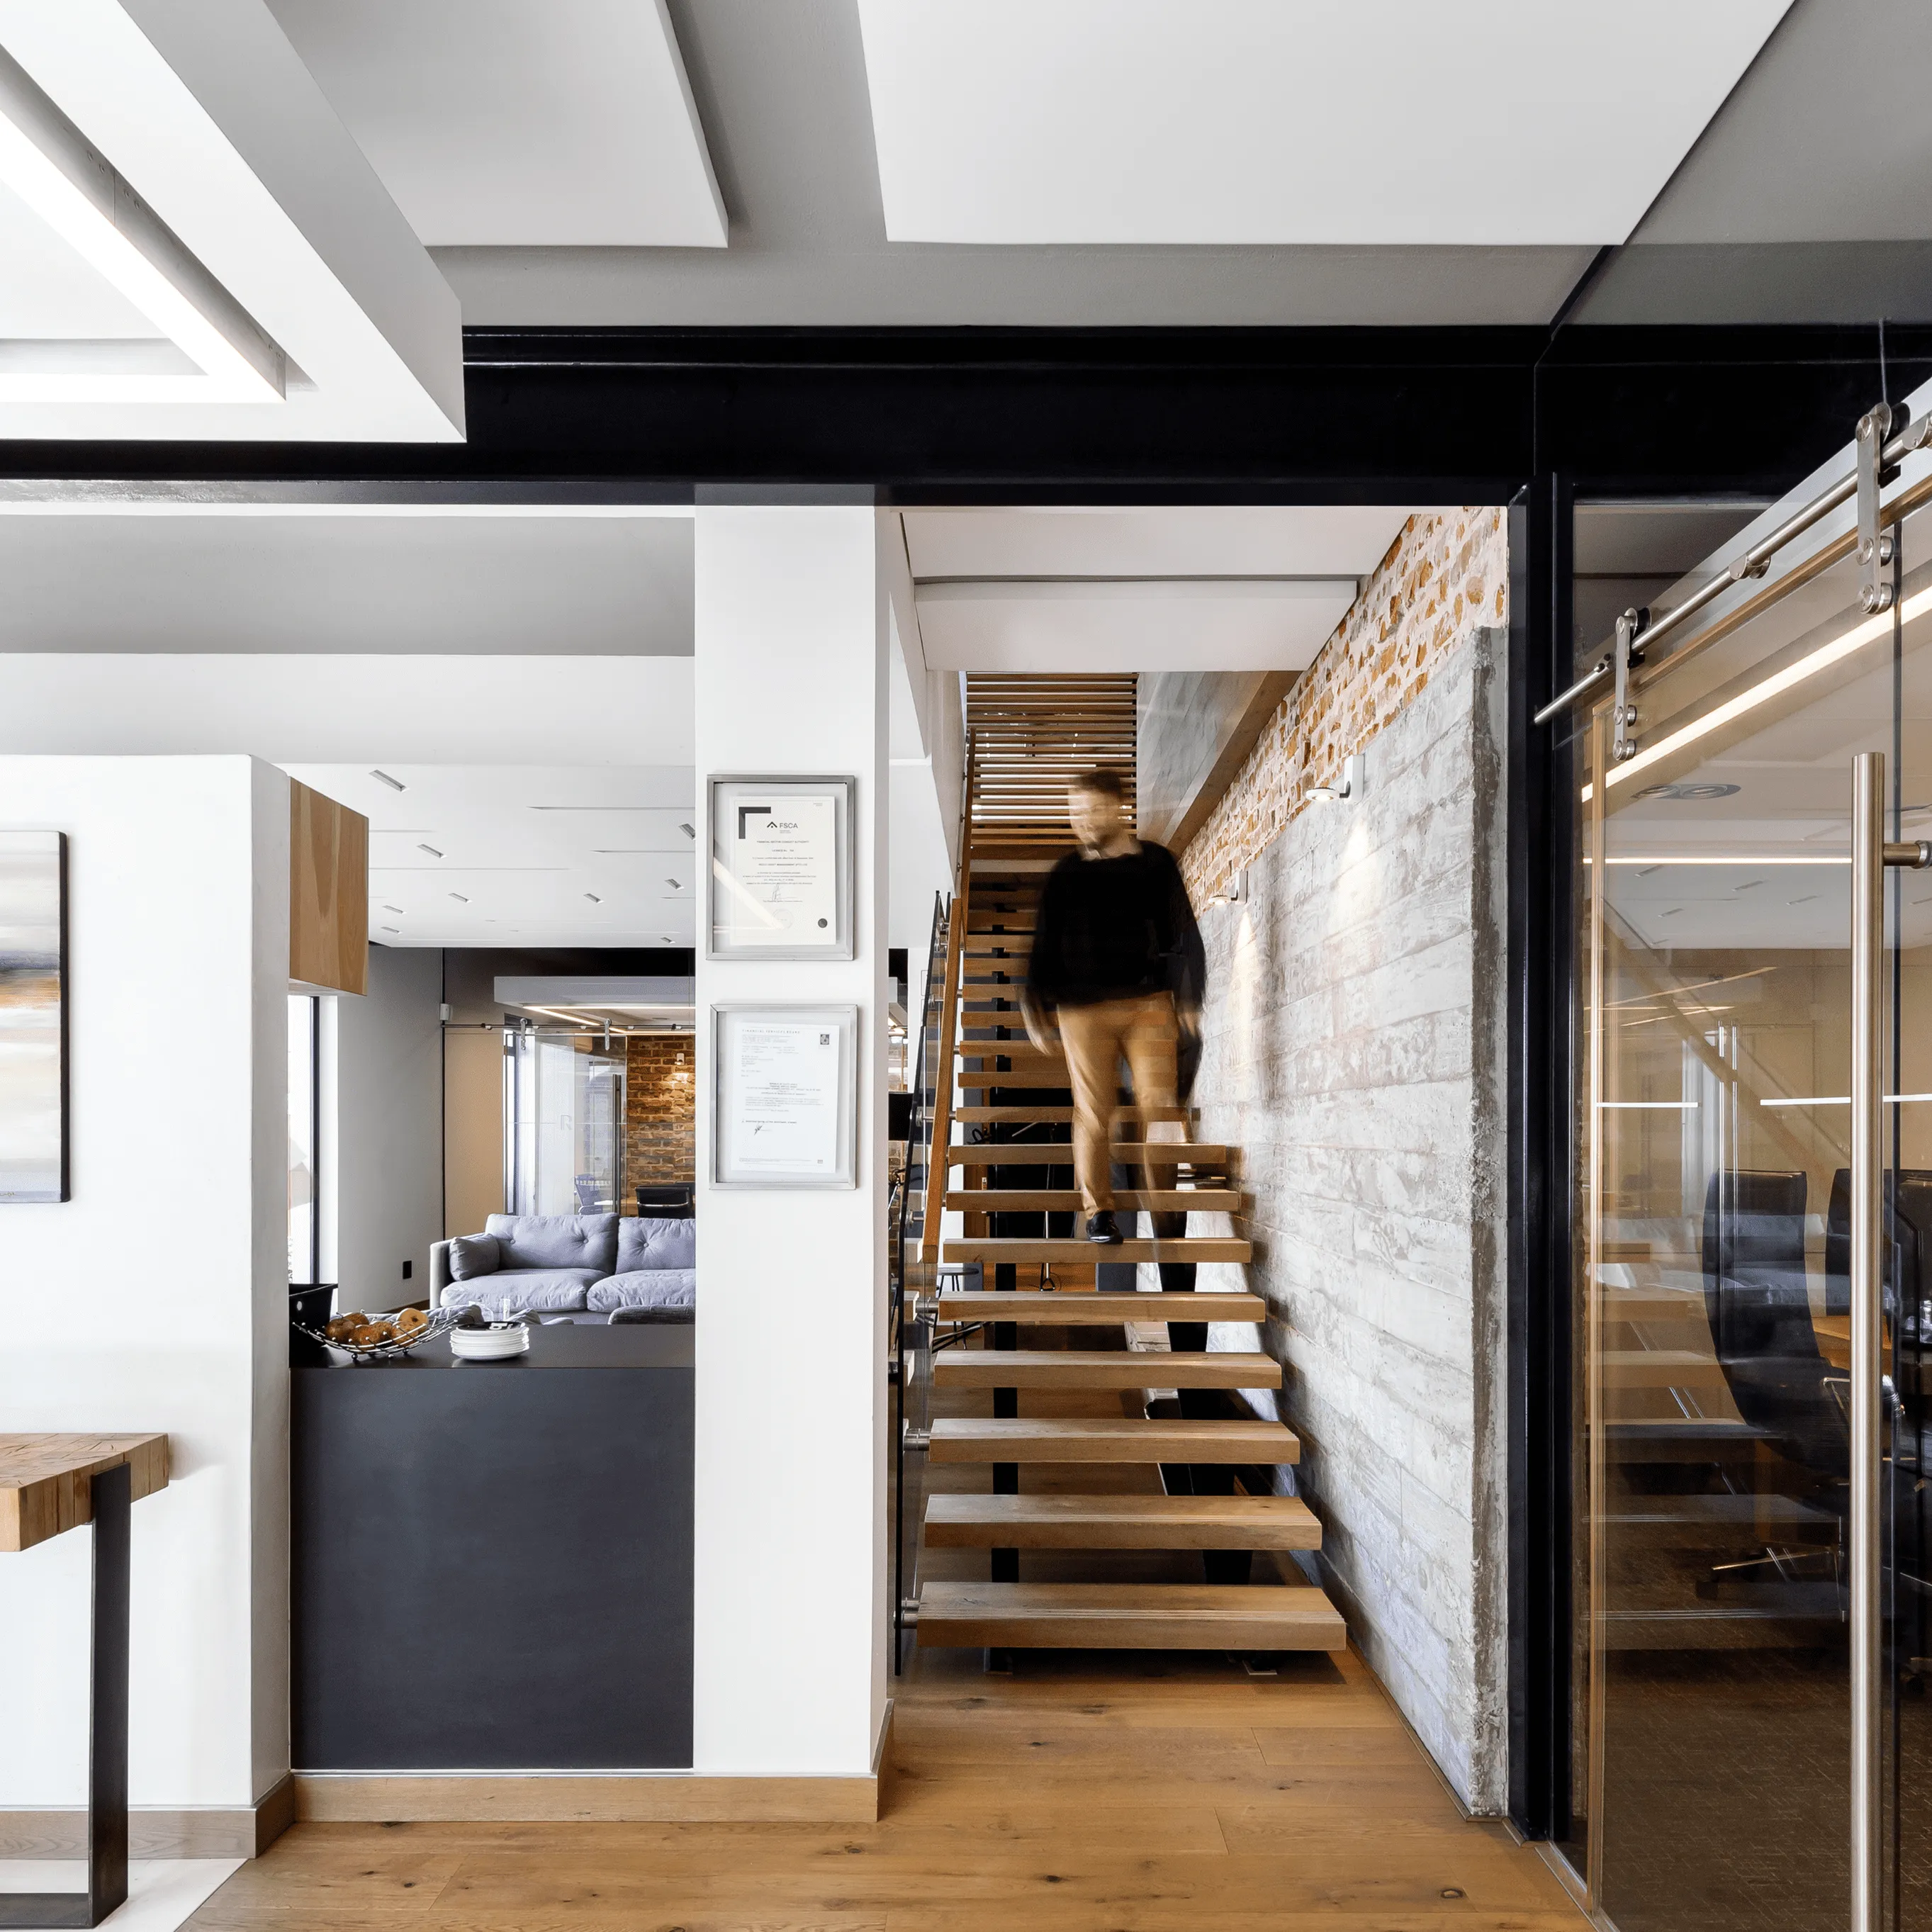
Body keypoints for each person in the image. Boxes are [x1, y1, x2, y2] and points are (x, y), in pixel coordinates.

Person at [1021, 768, 1205, 1245]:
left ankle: (1165, 1212)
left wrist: (1190, 998)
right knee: (1094, 1112)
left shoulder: (1156, 864)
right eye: (1073, 812)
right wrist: (1033, 1006)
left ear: (1115, 808)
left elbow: (1184, 934)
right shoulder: (1065, 875)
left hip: (1148, 1004)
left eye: (1090, 810)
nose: (1080, 821)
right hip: (1082, 1011)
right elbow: (1042, 946)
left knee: (1160, 1107)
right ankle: (1099, 1213)